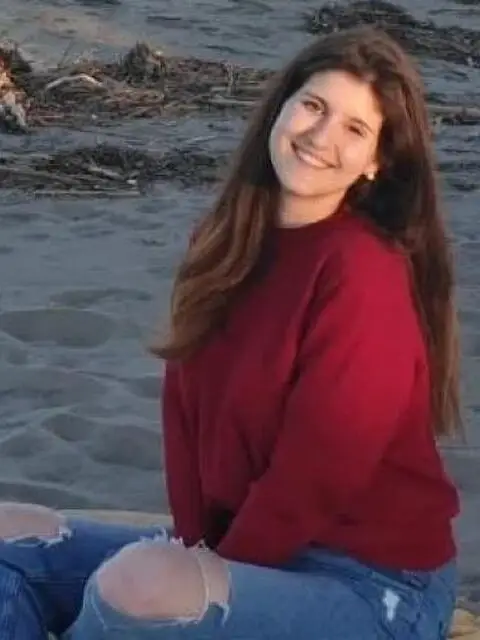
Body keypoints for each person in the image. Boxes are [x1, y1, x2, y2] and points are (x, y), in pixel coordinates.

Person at [0, 24, 462, 640]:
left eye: (355, 129)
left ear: (377, 161)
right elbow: (184, 414)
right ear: (281, 107)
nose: (321, 136)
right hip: (247, 547)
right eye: (313, 106)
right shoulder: (224, 239)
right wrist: (195, 548)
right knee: (12, 540)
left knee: (138, 585)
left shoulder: (361, 270)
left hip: (373, 583)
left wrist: (209, 569)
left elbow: (319, 470)